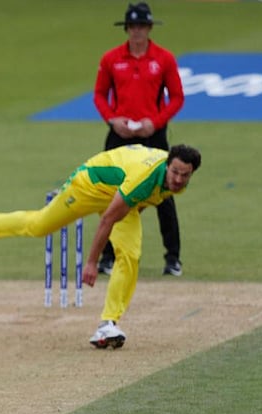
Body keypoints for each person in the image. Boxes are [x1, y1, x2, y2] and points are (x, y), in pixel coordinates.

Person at [0, 144, 202, 349]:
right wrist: (91, 262)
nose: (179, 179)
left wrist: (130, 214)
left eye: (185, 175)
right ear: (167, 165)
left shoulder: (174, 183)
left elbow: (143, 200)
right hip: (89, 185)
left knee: (129, 254)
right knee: (40, 225)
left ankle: (108, 324)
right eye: (175, 173)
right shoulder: (145, 177)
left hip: (120, 195)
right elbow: (108, 218)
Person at [94, 2, 185, 277]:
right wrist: (112, 119)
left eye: (142, 26)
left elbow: (177, 97)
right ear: (127, 29)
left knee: (164, 194)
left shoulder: (164, 58)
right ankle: (107, 257)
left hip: (152, 135)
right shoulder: (111, 58)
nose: (137, 31)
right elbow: (100, 95)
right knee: (112, 195)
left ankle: (173, 259)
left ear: (149, 28)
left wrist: (154, 123)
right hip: (120, 134)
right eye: (133, 26)